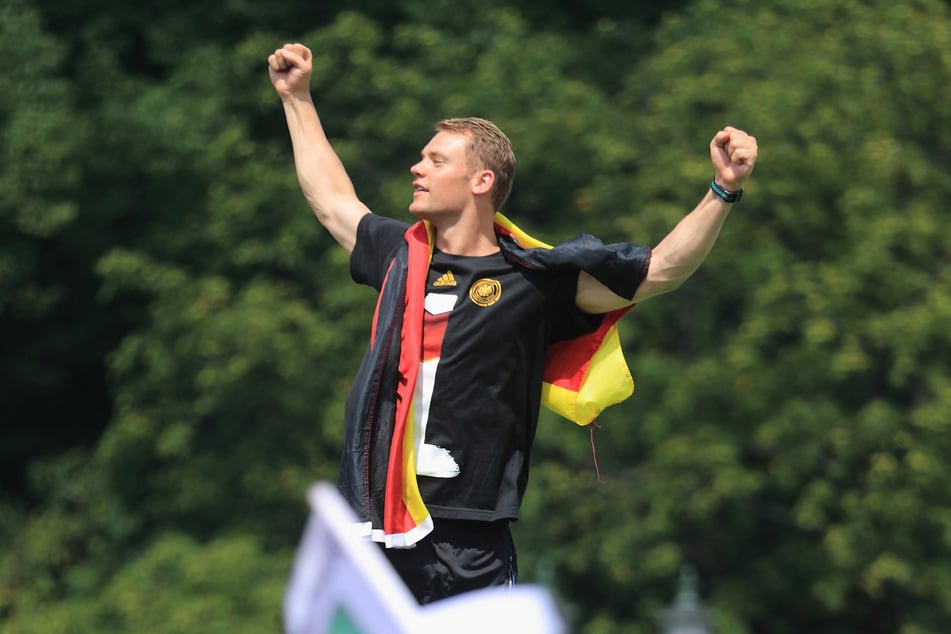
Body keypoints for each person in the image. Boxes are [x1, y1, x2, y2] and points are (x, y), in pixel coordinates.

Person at [268, 42, 757, 604]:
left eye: (435, 161)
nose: (416, 168)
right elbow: (332, 199)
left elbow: (662, 269)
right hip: (378, 528)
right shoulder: (399, 254)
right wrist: (297, 98)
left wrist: (724, 189)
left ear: (481, 182)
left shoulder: (533, 278)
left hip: (470, 534)